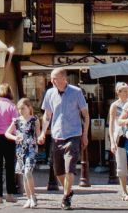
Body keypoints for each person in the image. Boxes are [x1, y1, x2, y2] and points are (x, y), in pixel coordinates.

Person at [39, 68, 89, 210]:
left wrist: (84, 134)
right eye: (52, 78)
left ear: (63, 78)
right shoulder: (50, 93)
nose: (52, 81)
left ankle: (66, 197)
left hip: (73, 134)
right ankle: (69, 190)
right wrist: (43, 132)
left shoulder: (76, 92)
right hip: (57, 135)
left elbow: (86, 115)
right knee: (58, 171)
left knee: (69, 168)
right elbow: (47, 115)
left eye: (54, 78)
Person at [6, 97, 40, 210]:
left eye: (23, 108)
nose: (21, 111)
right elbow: (7, 133)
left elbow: (38, 134)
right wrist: (15, 137)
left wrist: (40, 139)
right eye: (19, 109)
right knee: (24, 176)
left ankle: (33, 197)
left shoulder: (34, 120)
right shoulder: (16, 121)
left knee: (27, 172)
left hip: (31, 149)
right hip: (20, 150)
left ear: (29, 108)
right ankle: (29, 198)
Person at [0, 83, 19, 203]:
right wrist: (16, 137)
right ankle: (10, 194)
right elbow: (15, 123)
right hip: (9, 137)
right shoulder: (12, 106)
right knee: (10, 166)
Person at [108, 82, 128, 197]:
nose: (127, 93)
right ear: (118, 92)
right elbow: (111, 124)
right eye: (124, 91)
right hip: (119, 135)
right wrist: (112, 141)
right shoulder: (114, 105)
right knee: (121, 163)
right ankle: (124, 190)